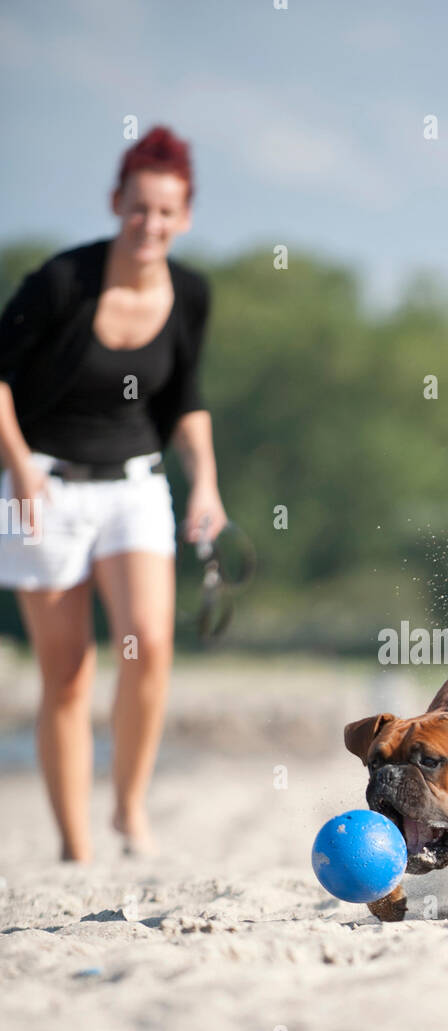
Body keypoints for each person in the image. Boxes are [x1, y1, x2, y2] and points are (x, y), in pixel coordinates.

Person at [0, 125, 227, 859]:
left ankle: (129, 810)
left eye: (165, 212)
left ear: (184, 215)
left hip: (135, 487)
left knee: (151, 645)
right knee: (67, 675)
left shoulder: (190, 292)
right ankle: (75, 846)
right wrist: (21, 466)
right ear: (115, 204)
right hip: (45, 488)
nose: (150, 224)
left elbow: (187, 400)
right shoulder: (62, 282)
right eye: (138, 209)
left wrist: (207, 487)